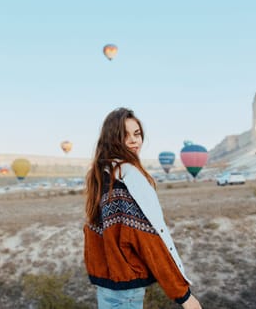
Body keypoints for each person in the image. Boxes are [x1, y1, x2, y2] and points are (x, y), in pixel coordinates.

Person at [83, 107, 202, 309]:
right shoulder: (127, 177)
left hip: (107, 287)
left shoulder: (103, 174)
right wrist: (183, 295)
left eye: (137, 134)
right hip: (125, 292)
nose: (133, 141)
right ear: (111, 139)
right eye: (124, 135)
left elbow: (96, 234)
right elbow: (147, 239)